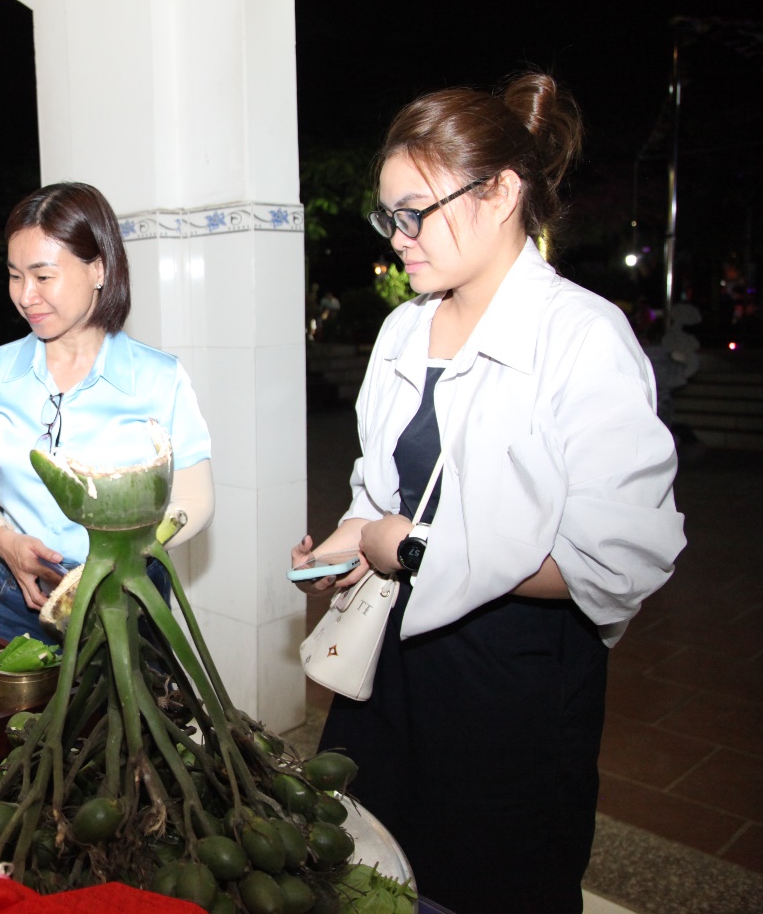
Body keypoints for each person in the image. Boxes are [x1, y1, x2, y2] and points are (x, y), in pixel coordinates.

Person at [291, 74, 685, 914]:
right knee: (366, 870)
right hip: (390, 672)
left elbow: (616, 556)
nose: (398, 237)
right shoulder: (402, 330)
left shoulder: (580, 336)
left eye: (415, 212)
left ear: (502, 190)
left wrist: (404, 548)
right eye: (386, 216)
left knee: (493, 881)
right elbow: (383, 484)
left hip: (513, 681)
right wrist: (351, 543)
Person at [0, 182, 215, 642]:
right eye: (15, 275)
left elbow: (196, 500)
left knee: (126, 716)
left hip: (129, 596)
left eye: (43, 275)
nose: (25, 295)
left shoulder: (157, 379)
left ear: (99, 269)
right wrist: (4, 540)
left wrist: (127, 552)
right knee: (19, 716)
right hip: (20, 595)